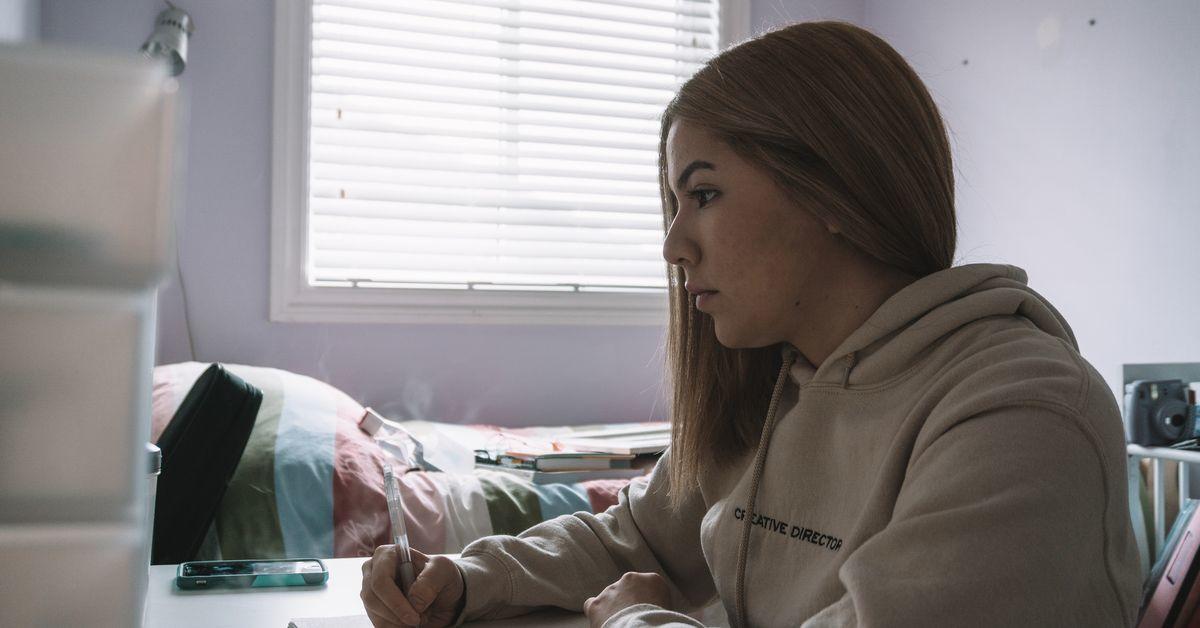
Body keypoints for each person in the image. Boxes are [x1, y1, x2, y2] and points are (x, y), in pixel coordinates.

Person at [360, 21, 1142, 628]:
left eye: (703, 196)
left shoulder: (1022, 415)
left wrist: (634, 618)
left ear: (836, 188)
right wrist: (462, 578)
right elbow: (628, 537)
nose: (672, 245)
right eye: (674, 204)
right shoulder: (782, 383)